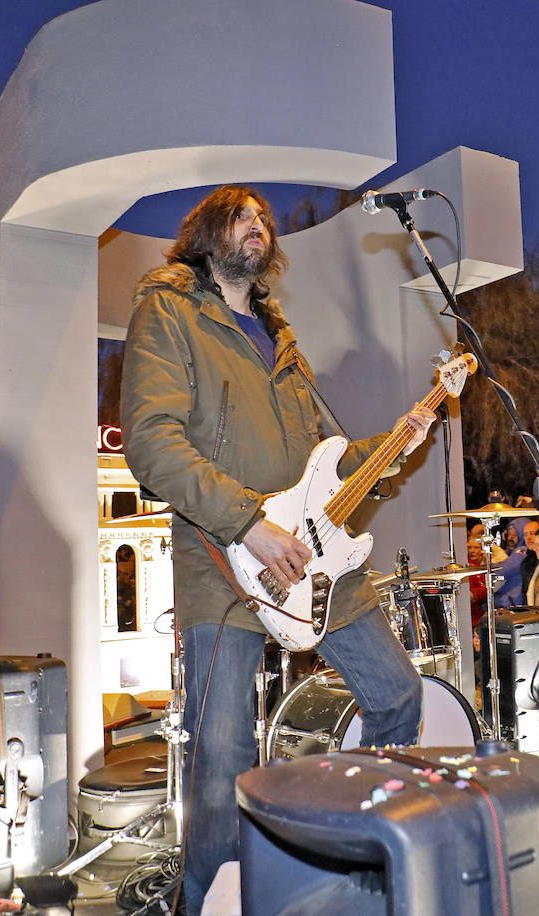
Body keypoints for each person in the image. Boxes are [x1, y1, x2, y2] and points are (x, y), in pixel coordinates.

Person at [121, 185, 433, 910]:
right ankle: (211, 904)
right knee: (221, 756)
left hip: (314, 563)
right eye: (241, 216)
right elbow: (152, 443)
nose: (258, 226)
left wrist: (390, 449)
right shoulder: (170, 311)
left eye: (264, 219)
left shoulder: (279, 338)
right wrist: (248, 524)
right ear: (205, 235)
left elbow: (317, 467)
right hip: (221, 563)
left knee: (397, 696)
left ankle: (352, 868)